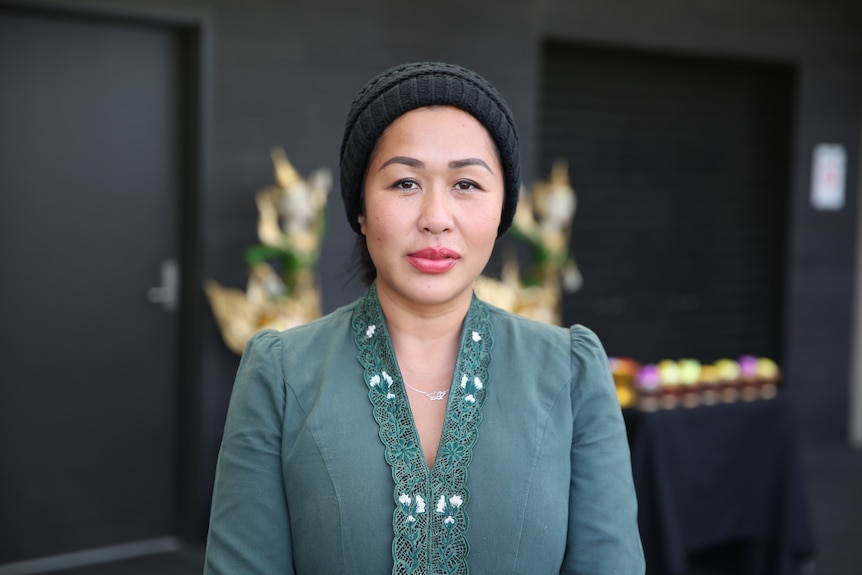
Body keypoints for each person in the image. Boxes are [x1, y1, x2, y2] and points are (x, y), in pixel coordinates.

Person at [204, 61, 645, 575]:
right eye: (405, 182)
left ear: (503, 209)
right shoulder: (280, 372)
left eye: (467, 185)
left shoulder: (570, 371)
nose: (436, 217)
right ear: (361, 210)